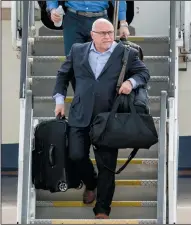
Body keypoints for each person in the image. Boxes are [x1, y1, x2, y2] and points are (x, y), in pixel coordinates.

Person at [53, 18, 150, 219]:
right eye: (103, 33)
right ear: (92, 35)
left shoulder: (126, 53)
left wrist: (131, 83)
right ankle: (91, 182)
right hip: (80, 115)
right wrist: (60, 101)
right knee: (76, 156)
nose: (108, 36)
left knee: (106, 165)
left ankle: (103, 210)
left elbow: (144, 73)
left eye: (110, 32)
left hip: (109, 118)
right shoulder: (78, 50)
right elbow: (62, 75)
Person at [46, 1, 130, 56]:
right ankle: (77, 84)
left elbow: (119, 1)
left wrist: (123, 24)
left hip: (100, 20)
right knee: (73, 59)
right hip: (73, 20)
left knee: (102, 59)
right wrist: (53, 9)